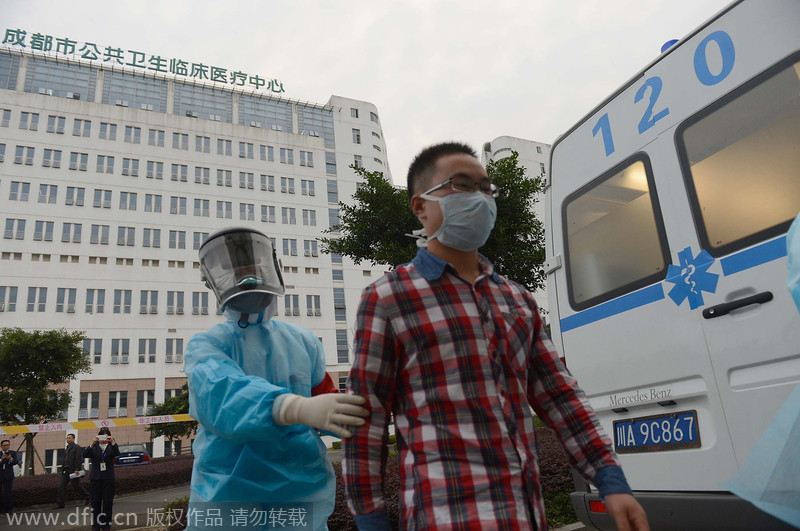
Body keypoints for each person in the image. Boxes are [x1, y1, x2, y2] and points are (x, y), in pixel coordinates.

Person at [343, 142, 649, 530]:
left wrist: (609, 478)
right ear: (421, 206)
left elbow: (560, 395)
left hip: (524, 515)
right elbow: (366, 418)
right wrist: (370, 520)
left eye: (486, 188)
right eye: (462, 185)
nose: (480, 197)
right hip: (443, 517)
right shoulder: (388, 297)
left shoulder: (517, 298)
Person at [185, 227, 369, 530]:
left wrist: (359, 413)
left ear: (272, 269)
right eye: (236, 270)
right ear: (215, 281)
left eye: (253, 267)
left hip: (301, 492)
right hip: (229, 496)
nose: (247, 277)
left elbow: (327, 401)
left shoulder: (303, 342)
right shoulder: (207, 345)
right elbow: (222, 395)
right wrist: (293, 408)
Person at [83, 427, 120, 531]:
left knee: (108, 503)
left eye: (106, 436)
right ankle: (96, 526)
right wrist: (92, 443)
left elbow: (117, 453)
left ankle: (106, 526)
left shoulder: (111, 447)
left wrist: (112, 442)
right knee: (95, 503)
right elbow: (84, 454)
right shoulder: (94, 447)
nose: (103, 439)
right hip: (95, 478)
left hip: (108, 478)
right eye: (102, 436)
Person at [55, 433, 91, 508]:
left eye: (69, 438)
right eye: (67, 438)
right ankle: (60, 503)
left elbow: (78, 459)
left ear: (73, 439)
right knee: (61, 486)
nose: (68, 439)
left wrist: (77, 469)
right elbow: (65, 460)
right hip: (66, 470)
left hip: (73, 470)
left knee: (76, 486)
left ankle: (88, 496)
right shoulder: (67, 448)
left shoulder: (76, 447)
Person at [0, 439, 19, 514]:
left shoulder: (12, 453)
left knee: (8, 492)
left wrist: (10, 459)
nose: (6, 447)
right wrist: (1, 459)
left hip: (8, 476)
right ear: (1, 446)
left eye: (8, 445)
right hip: (0, 475)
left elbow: (16, 462)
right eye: (4, 445)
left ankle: (9, 509)